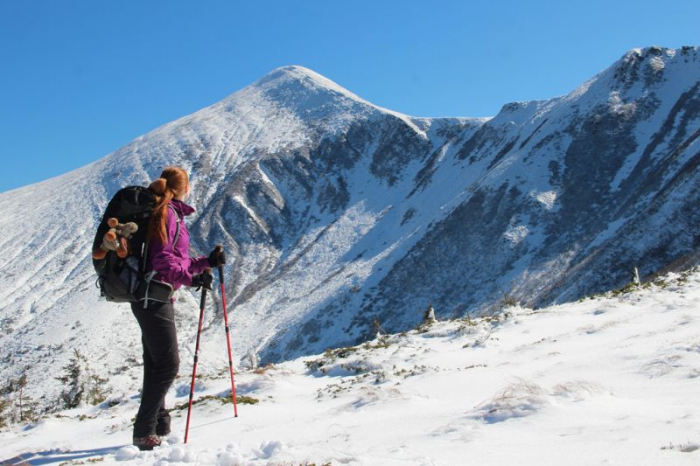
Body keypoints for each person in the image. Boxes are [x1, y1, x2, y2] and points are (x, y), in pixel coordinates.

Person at [131, 167, 226, 451]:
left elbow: (175, 260)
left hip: (152, 297)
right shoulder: (167, 214)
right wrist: (193, 278)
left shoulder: (167, 212)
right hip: (154, 297)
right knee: (168, 364)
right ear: (183, 188)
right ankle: (144, 429)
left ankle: (157, 424)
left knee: (156, 363)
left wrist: (204, 263)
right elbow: (163, 261)